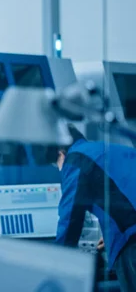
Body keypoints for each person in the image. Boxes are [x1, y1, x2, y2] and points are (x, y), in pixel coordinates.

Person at [56, 125, 136, 292]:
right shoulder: (106, 150)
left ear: (60, 151)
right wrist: (110, 236)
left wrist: (55, 263)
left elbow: (70, 218)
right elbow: (123, 195)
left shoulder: (76, 159)